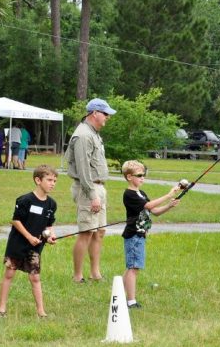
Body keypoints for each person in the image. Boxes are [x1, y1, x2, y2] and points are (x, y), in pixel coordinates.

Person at [65, 97, 116, 283]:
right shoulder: (83, 135)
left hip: (98, 187)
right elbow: (83, 168)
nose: (107, 118)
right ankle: (77, 276)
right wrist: (92, 194)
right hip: (88, 188)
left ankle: (95, 273)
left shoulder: (94, 133)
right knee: (86, 232)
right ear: (94, 113)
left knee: (99, 231)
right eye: (105, 114)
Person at [0, 165, 58, 318]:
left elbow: (49, 225)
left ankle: (41, 311)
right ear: (38, 180)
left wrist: (50, 236)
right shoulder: (25, 200)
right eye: (49, 180)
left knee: (35, 277)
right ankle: (2, 308)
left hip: (35, 248)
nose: (52, 183)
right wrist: (29, 237)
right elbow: (15, 221)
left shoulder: (51, 204)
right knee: (9, 273)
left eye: (55, 181)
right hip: (17, 245)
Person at [121, 160, 180, 308]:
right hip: (134, 234)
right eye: (139, 175)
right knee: (134, 268)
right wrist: (168, 195)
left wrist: (169, 206)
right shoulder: (129, 194)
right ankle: (131, 301)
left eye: (144, 175)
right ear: (129, 177)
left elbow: (155, 211)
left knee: (132, 267)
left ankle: (119, 294)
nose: (142, 178)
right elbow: (148, 205)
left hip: (140, 234)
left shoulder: (141, 193)